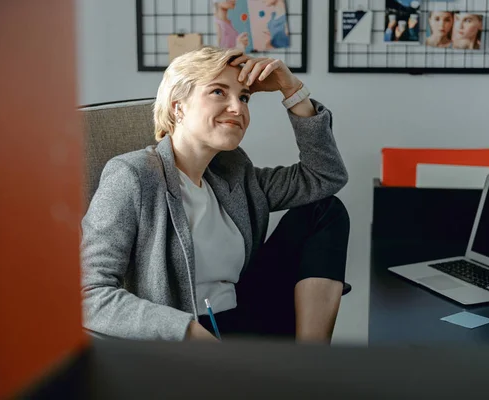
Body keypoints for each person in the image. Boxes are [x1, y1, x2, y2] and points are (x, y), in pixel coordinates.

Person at [80, 46, 349, 344]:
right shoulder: (132, 175)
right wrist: (186, 330)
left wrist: (292, 89)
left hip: (245, 321)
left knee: (324, 210)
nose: (238, 107)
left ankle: (311, 363)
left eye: (244, 96)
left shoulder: (237, 175)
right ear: (177, 106)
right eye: (219, 92)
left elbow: (325, 176)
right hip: (186, 337)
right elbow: (89, 294)